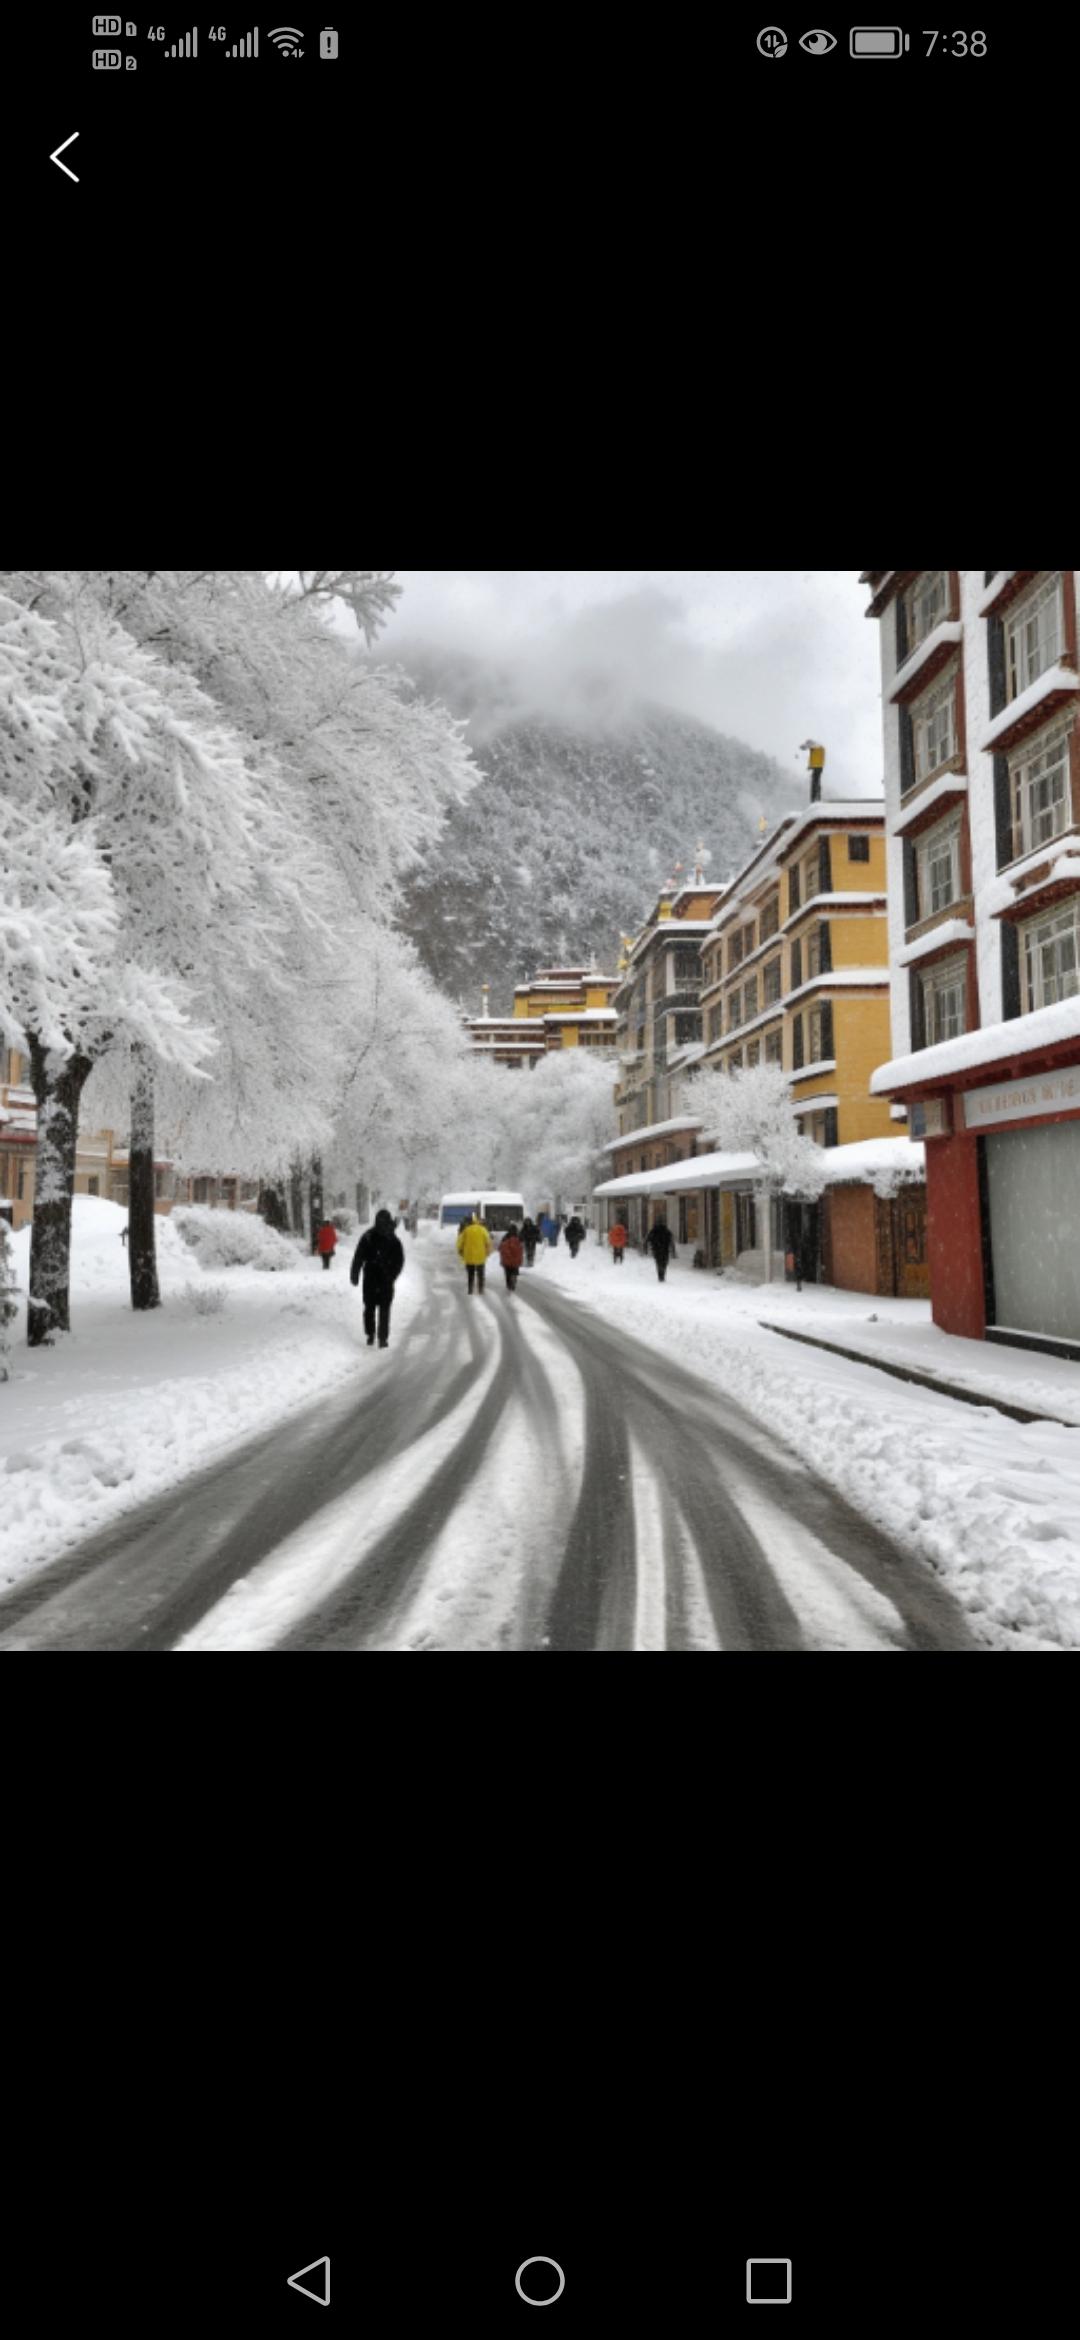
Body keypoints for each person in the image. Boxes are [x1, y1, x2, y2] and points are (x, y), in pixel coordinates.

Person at [350, 1207, 405, 1348]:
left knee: (372, 1308)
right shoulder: (389, 1239)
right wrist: (392, 1274)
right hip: (380, 1279)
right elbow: (359, 1256)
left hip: (374, 1278)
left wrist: (355, 1274)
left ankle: (374, 1335)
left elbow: (359, 1257)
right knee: (380, 1309)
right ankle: (378, 1337)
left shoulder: (371, 1236)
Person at [456, 1210, 492, 1296]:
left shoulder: (466, 1230)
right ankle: (480, 1288)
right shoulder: (483, 1230)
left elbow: (460, 1242)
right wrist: (487, 1253)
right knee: (481, 1273)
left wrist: (460, 1251)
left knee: (470, 1274)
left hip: (469, 1256)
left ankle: (470, 1289)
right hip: (481, 1256)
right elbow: (488, 1242)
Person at [645, 1216, 675, 1282]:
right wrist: (673, 1251)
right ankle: (663, 1274)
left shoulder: (654, 1230)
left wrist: (647, 1247)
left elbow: (648, 1239)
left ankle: (660, 1275)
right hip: (665, 1249)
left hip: (656, 1249)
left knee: (658, 1262)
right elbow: (671, 1240)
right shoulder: (666, 1230)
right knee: (664, 1262)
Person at [498, 1224, 524, 1294]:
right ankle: (514, 1279)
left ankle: (509, 1284)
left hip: (507, 1259)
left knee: (507, 1272)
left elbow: (501, 1246)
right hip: (515, 1258)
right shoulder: (519, 1237)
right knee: (514, 1269)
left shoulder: (506, 1237)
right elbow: (521, 1246)